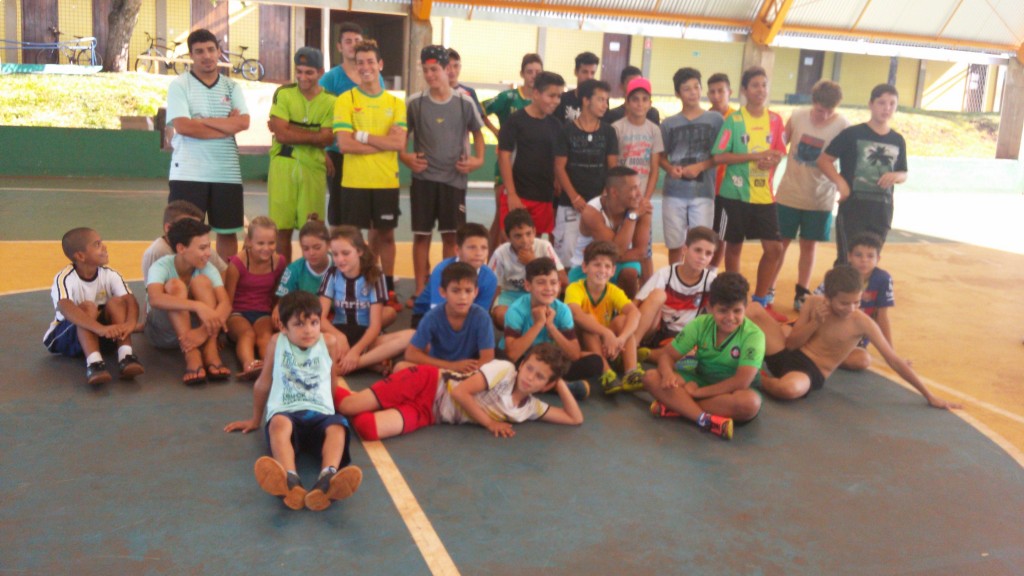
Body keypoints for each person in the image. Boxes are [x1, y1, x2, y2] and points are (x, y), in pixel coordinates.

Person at [750, 265, 960, 409]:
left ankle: (757, 378)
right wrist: (815, 322)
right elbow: (791, 344)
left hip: (809, 371)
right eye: (844, 303)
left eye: (857, 302)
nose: (851, 308)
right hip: (787, 354)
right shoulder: (814, 302)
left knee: (788, 390)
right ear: (828, 297)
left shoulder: (862, 322)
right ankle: (731, 352)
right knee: (754, 310)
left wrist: (929, 395)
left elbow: (894, 360)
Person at [224, 291, 362, 512]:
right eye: (299, 324)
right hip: (286, 410)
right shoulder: (277, 342)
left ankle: (327, 479)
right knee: (278, 424)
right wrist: (255, 419)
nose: (308, 330)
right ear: (283, 327)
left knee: (337, 427)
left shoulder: (329, 342)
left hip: (319, 412)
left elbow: (332, 379)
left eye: (314, 323)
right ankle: (290, 479)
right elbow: (263, 382)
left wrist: (333, 411)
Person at [336, 343, 582, 440]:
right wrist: (490, 423)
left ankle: (381, 394)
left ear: (547, 385)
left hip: (430, 413)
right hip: (427, 382)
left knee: (368, 429)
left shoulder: (529, 408)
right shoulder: (505, 370)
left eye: (540, 377)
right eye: (529, 368)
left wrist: (559, 382)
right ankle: (327, 382)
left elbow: (574, 418)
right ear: (522, 364)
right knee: (348, 407)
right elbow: (460, 393)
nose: (529, 378)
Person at [401, 45, 486, 304]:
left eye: (434, 69)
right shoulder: (415, 102)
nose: (430, 75)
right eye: (425, 70)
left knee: (451, 237)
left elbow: (478, 133)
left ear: (447, 69)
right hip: (423, 180)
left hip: (454, 181)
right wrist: (405, 157)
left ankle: (447, 288)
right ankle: (420, 289)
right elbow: (401, 135)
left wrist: (478, 160)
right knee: (421, 236)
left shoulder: (464, 102)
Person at [642, 272, 765, 441]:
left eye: (737, 311)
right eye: (723, 311)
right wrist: (668, 374)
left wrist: (698, 393)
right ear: (709, 308)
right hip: (701, 379)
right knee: (651, 377)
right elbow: (667, 356)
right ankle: (704, 419)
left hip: (732, 391)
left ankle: (678, 407)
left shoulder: (754, 335)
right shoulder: (700, 324)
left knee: (750, 404)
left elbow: (741, 382)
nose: (730, 318)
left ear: (746, 307)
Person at [333, 39, 406, 311]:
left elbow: (399, 143)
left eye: (370, 62)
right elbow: (344, 144)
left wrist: (362, 136)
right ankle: (354, 286)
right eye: (360, 62)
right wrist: (382, 142)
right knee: (353, 239)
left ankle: (387, 288)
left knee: (385, 236)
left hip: (386, 181)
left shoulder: (395, 103)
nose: (365, 67)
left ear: (380, 64)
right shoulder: (346, 100)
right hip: (354, 182)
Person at [165, 28, 250, 262]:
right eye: (200, 51)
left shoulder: (232, 87)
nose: (207, 56)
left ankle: (223, 280)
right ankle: (185, 281)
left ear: (219, 52)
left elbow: (243, 122)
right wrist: (226, 125)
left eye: (211, 50)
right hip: (188, 173)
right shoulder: (180, 85)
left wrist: (202, 121)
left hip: (227, 173)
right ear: (191, 55)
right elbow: (184, 126)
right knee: (184, 233)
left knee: (227, 232)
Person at [711, 66, 787, 322]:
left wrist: (771, 160)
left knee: (774, 249)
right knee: (733, 246)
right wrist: (754, 156)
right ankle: (737, 300)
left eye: (764, 85)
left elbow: (779, 152)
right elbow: (719, 156)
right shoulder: (734, 120)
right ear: (744, 90)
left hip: (763, 196)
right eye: (755, 85)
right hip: (733, 194)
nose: (760, 90)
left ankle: (760, 301)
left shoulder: (775, 120)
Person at [772, 80, 850, 311]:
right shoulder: (797, 116)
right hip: (789, 194)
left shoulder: (843, 126)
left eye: (828, 111)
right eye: (819, 110)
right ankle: (768, 288)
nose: (823, 115)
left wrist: (841, 185)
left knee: (809, 246)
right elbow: (779, 146)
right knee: (779, 244)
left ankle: (802, 292)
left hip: (820, 199)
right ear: (812, 102)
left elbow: (847, 159)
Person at [817, 84, 908, 264]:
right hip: (853, 210)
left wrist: (896, 176)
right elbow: (824, 160)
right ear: (870, 104)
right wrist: (841, 183)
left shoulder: (897, 140)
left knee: (869, 263)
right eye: (881, 103)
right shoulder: (852, 134)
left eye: (892, 103)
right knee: (847, 261)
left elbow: (903, 173)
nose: (887, 108)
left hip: (882, 212)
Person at [44, 227, 144, 385]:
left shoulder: (110, 274)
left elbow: (129, 300)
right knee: (87, 308)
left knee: (117, 302)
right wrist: (99, 328)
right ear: (80, 256)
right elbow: (64, 306)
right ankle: (94, 363)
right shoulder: (64, 278)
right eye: (97, 244)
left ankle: (126, 356)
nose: (105, 247)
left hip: (103, 335)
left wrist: (130, 323)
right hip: (68, 337)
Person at [267, 47, 336, 263]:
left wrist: (291, 129)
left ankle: (313, 278)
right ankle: (284, 279)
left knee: (313, 231)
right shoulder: (284, 93)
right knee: (282, 229)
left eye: (309, 72)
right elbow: (282, 135)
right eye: (299, 71)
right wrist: (315, 134)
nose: (303, 77)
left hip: (313, 169)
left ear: (321, 72)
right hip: (283, 166)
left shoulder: (331, 101)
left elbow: (328, 138)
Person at [501, 258, 604, 400]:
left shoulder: (562, 310)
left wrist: (551, 327)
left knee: (595, 362)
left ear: (559, 285)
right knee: (503, 365)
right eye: (541, 282)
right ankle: (557, 386)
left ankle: (540, 384)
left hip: (549, 360)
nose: (549, 288)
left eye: (553, 282)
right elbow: (512, 355)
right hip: (523, 361)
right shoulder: (516, 310)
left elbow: (574, 354)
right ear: (528, 285)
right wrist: (538, 324)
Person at [145, 218, 232, 384]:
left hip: (197, 334)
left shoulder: (207, 267)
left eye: (209, 246)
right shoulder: (161, 266)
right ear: (181, 248)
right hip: (162, 333)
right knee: (175, 285)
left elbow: (225, 304)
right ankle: (191, 353)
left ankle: (210, 348)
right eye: (202, 248)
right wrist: (197, 306)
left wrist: (203, 332)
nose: (208, 253)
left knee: (202, 282)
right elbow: (155, 298)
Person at [318, 226, 414, 376]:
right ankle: (370, 362)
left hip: (366, 338)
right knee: (304, 341)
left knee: (412, 335)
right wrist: (339, 336)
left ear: (360, 251)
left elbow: (375, 326)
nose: (340, 259)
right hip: (337, 336)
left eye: (345, 253)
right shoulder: (331, 274)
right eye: (335, 254)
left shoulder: (374, 275)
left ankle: (353, 364)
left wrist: (355, 352)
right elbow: (320, 318)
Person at [320, 22, 385, 230]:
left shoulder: (375, 77)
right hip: (338, 153)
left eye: (357, 40)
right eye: (348, 41)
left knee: (363, 210)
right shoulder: (331, 78)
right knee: (339, 209)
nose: (353, 44)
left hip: (366, 152)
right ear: (339, 47)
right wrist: (323, 151)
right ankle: (338, 248)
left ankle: (357, 250)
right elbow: (319, 115)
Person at [660, 67, 725, 264]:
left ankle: (698, 281)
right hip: (673, 193)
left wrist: (700, 166)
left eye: (696, 87)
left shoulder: (716, 120)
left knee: (702, 245)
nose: (693, 92)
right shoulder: (669, 124)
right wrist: (670, 169)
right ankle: (674, 279)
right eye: (687, 88)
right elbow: (661, 157)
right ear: (677, 93)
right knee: (675, 245)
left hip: (703, 193)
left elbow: (721, 155)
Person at [564, 241, 645, 395]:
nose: (602, 270)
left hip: (608, 344)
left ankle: (631, 372)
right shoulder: (574, 288)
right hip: (583, 344)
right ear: (585, 267)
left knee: (622, 320)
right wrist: (606, 333)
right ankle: (606, 373)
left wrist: (621, 338)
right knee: (588, 320)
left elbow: (635, 313)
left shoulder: (613, 290)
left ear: (613, 271)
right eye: (597, 265)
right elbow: (576, 314)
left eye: (607, 266)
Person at [553, 79, 619, 266]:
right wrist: (574, 197)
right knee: (567, 253)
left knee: (599, 254)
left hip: (600, 204)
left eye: (606, 100)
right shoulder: (566, 131)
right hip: (570, 204)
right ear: (585, 100)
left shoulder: (609, 132)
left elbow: (612, 168)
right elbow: (559, 167)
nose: (605, 105)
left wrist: (604, 197)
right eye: (600, 99)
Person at [482, 53, 543, 248]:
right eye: (529, 71)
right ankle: (492, 260)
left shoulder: (543, 102)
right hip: (506, 165)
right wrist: (496, 132)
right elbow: (480, 109)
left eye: (538, 72)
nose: (533, 75)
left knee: (530, 222)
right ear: (522, 73)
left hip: (531, 171)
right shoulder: (508, 98)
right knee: (502, 218)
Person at [813, 233, 895, 371]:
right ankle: (819, 354)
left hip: (854, 338)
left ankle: (819, 357)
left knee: (862, 360)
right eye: (858, 255)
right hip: (828, 332)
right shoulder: (838, 275)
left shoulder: (883, 279)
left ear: (878, 258)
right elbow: (814, 303)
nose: (864, 260)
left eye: (870, 256)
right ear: (849, 256)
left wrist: (891, 355)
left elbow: (882, 317)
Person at [634, 225, 718, 362]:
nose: (702, 257)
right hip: (657, 331)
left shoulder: (711, 280)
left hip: (687, 336)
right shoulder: (666, 274)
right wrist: (625, 328)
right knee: (657, 295)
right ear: (685, 249)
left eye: (708, 253)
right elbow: (637, 302)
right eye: (698, 250)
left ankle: (647, 355)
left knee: (690, 356)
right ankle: (632, 347)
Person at [497, 70, 565, 238]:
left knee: (534, 246)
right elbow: (504, 157)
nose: (556, 101)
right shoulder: (515, 121)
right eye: (551, 96)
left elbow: (556, 159)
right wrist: (512, 194)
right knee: (510, 242)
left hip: (544, 197)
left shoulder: (556, 125)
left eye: (559, 96)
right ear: (536, 93)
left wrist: (557, 180)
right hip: (518, 195)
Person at [570, 166, 652, 299]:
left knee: (630, 273)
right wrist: (632, 216)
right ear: (614, 192)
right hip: (586, 266)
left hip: (618, 264)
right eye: (633, 188)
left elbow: (641, 253)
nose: (639, 194)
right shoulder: (591, 212)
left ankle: (626, 309)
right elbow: (616, 250)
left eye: (639, 187)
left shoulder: (642, 208)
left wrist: (634, 213)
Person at [611, 76, 664, 280]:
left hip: (642, 199)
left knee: (644, 251)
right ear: (627, 102)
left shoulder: (654, 130)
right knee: (619, 245)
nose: (640, 104)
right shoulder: (617, 128)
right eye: (635, 99)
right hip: (621, 199)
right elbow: (613, 167)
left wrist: (646, 198)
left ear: (650, 103)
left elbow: (654, 169)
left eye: (644, 99)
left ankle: (647, 289)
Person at [225, 216, 287, 380]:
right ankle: (249, 364)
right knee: (247, 334)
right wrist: (219, 330)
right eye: (260, 243)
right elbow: (227, 299)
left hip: (262, 312)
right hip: (237, 313)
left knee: (265, 337)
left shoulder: (279, 262)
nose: (266, 248)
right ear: (249, 241)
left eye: (271, 243)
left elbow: (280, 290)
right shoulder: (237, 263)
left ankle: (270, 366)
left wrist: (278, 308)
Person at [405, 262, 496, 373]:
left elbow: (487, 358)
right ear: (443, 292)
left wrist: (468, 374)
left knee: (506, 367)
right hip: (439, 370)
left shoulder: (482, 317)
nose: (463, 297)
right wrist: (451, 366)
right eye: (455, 291)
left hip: (468, 373)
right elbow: (411, 354)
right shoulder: (432, 317)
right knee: (401, 366)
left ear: (475, 292)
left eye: (468, 291)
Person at [488, 209, 566, 329]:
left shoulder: (544, 246)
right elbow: (494, 286)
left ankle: (527, 333)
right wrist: (488, 315)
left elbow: (563, 281)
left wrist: (533, 263)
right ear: (508, 237)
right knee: (500, 315)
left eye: (528, 234)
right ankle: (523, 335)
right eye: (518, 236)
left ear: (534, 231)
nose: (525, 241)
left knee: (551, 314)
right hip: (511, 296)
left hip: (540, 295)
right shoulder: (500, 253)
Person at [410, 223, 497, 328]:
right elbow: (437, 313)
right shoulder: (442, 271)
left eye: (484, 248)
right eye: (472, 247)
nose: (479, 253)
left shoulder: (490, 278)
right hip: (427, 315)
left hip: (463, 317)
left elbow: (480, 315)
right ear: (457, 250)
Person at [141, 200, 228, 282]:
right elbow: (153, 289)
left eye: (197, 227)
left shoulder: (204, 250)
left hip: (200, 291)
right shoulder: (157, 251)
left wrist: (217, 288)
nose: (196, 232)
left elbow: (223, 272)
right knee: (176, 286)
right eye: (188, 227)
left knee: (200, 284)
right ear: (168, 228)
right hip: (173, 292)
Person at [706, 72, 734, 273]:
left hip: (726, 188)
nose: (716, 96)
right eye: (712, 92)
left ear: (729, 92)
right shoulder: (704, 118)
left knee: (721, 233)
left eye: (720, 91)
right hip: (704, 186)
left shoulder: (737, 119)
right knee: (701, 230)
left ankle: (712, 271)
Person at [274, 216, 333, 303]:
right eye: (306, 248)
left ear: (328, 245)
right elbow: (282, 303)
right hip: (304, 311)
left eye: (317, 247)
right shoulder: (293, 270)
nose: (311, 253)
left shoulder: (340, 265)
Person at [553, 51, 599, 124]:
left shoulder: (599, 102)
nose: (589, 77)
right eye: (585, 72)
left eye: (592, 73)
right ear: (576, 72)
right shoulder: (563, 99)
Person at [446, 48, 485, 118]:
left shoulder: (469, 92)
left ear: (460, 67)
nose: (452, 71)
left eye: (455, 66)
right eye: (448, 67)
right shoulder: (434, 93)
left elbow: (478, 118)